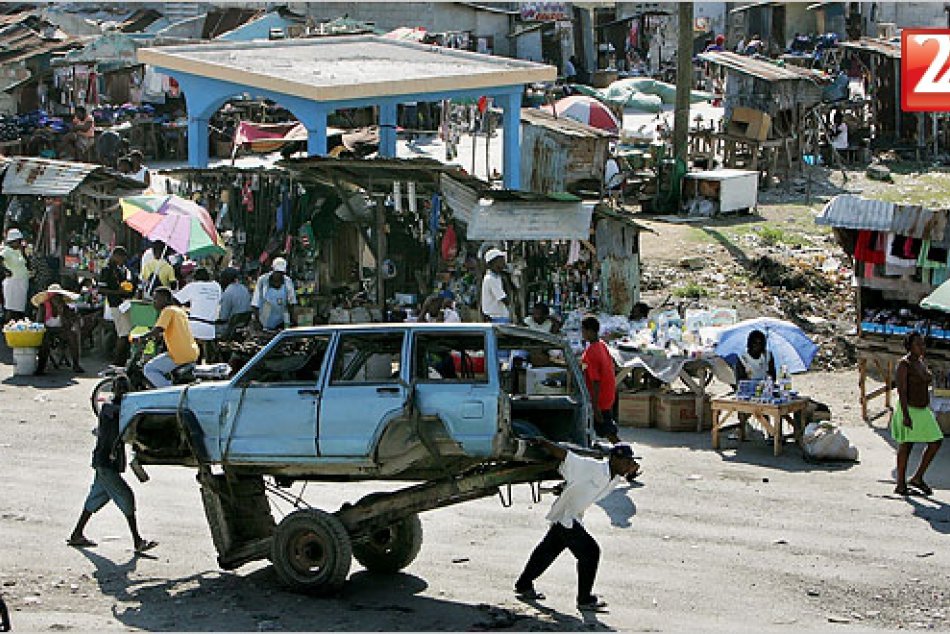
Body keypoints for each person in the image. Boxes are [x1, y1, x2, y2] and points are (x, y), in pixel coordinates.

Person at [514, 439, 639, 610]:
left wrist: (631, 470)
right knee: (590, 553)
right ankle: (584, 599)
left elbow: (586, 485)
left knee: (548, 550)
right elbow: (565, 455)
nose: (629, 464)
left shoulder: (615, 478)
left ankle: (523, 584)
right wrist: (542, 442)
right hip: (567, 516)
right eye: (626, 461)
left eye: (630, 461)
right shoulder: (592, 467)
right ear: (614, 459)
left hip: (571, 516)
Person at [67, 377, 158, 554]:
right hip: (106, 463)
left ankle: (77, 534)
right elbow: (119, 419)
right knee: (126, 497)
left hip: (105, 462)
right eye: (121, 387)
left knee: (96, 498)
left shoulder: (117, 408)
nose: (123, 390)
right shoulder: (111, 409)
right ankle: (137, 541)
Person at [892, 332, 943, 496]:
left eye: (923, 344)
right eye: (918, 344)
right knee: (906, 445)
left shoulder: (920, 362)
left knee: (936, 441)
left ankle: (917, 477)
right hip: (909, 409)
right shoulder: (904, 364)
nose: (922, 347)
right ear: (910, 346)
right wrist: (906, 415)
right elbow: (902, 391)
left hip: (922, 409)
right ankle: (900, 483)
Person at [142, 287, 199, 388]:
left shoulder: (167, 310)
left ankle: (168, 391)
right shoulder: (180, 310)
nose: (153, 302)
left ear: (166, 299)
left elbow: (158, 330)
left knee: (149, 369)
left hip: (179, 354)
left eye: (156, 299)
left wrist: (140, 338)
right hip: (192, 351)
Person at [581, 316, 622, 445]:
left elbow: (595, 381)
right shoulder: (602, 345)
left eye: (583, 330)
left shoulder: (591, 352)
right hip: (608, 394)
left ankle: (624, 452)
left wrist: (595, 406)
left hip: (600, 398)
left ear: (589, 331)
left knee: (608, 430)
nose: (582, 334)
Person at [98, 246, 138, 366]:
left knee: (126, 332)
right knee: (123, 334)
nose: (123, 260)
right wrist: (118, 292)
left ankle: (122, 359)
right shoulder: (107, 269)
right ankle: (118, 361)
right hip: (115, 304)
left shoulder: (123, 269)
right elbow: (101, 289)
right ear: (116, 256)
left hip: (125, 303)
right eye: (122, 258)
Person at [32, 284, 83, 374]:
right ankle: (41, 367)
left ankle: (76, 364)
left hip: (61, 330)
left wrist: (62, 313)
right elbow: (39, 324)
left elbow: (68, 324)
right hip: (46, 330)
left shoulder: (65, 307)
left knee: (72, 336)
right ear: (50, 298)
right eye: (55, 297)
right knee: (45, 340)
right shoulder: (43, 307)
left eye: (59, 297)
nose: (58, 299)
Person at [175, 267, 222, 352]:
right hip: (210, 329)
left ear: (195, 278)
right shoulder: (217, 286)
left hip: (194, 327)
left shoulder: (193, 286)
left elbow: (176, 300)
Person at [252, 257, 297, 330]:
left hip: (281, 322)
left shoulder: (287, 281)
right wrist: (257, 322)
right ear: (272, 269)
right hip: (264, 322)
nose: (278, 275)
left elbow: (291, 303)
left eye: (281, 273)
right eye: (277, 272)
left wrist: (291, 320)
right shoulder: (262, 280)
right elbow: (255, 303)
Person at [0, 228, 30, 321]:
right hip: (13, 284)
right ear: (13, 241)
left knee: (19, 310)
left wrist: (23, 252)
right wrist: (5, 270)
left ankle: (17, 330)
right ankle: (7, 330)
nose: (20, 243)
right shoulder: (6, 251)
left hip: (22, 283)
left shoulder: (18, 251)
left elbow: (27, 263)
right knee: (11, 309)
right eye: (19, 241)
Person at [217, 267, 252, 337]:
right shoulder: (244, 288)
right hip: (242, 325)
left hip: (229, 328)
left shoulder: (228, 292)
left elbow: (223, 317)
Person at [481, 248, 510, 323]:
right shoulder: (491, 279)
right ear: (493, 262)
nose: (504, 262)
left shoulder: (497, 277)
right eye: (501, 260)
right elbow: (503, 298)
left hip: (499, 316)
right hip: (495, 318)